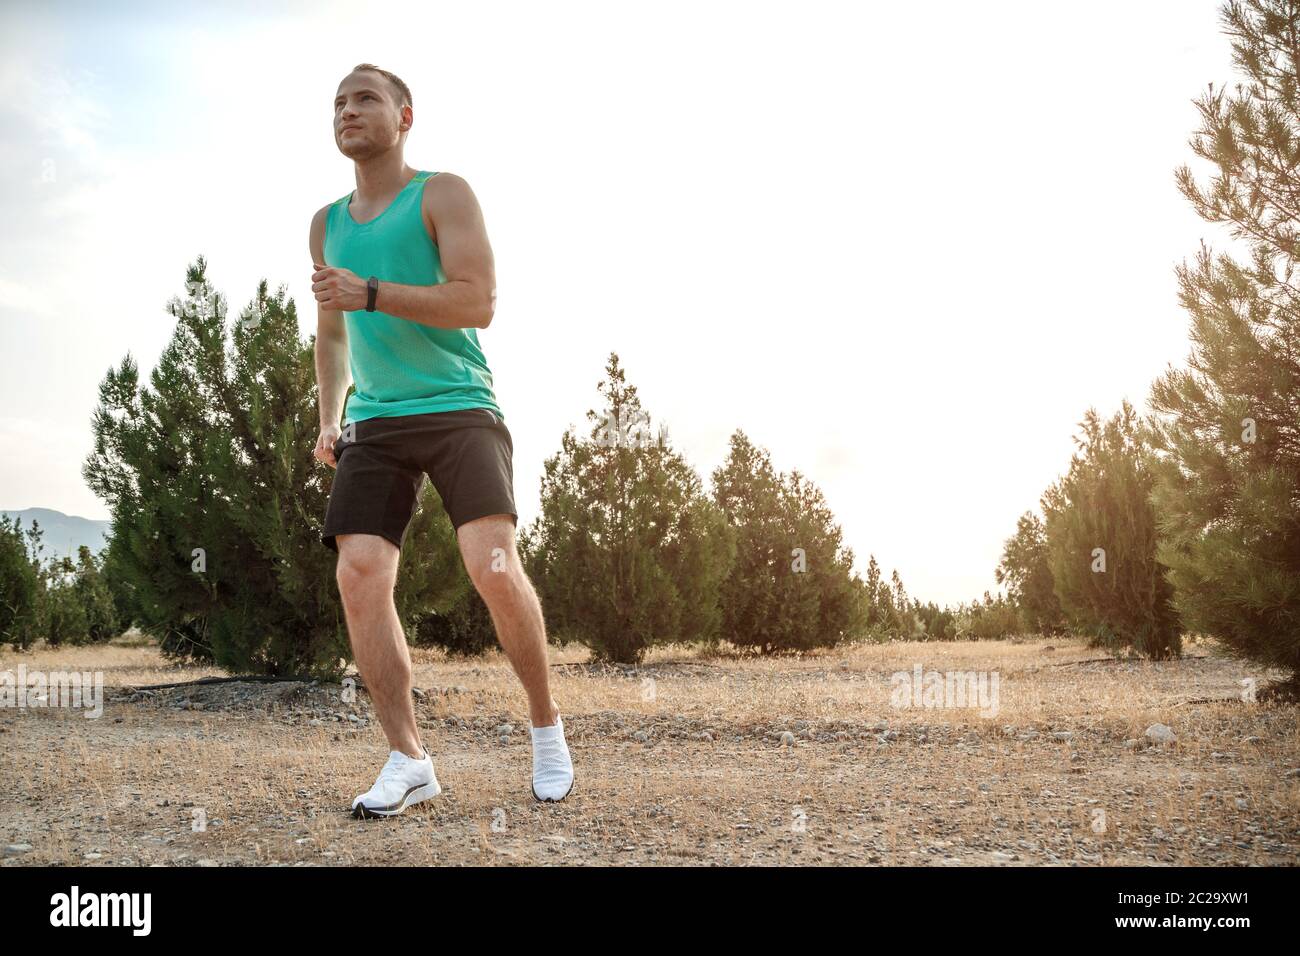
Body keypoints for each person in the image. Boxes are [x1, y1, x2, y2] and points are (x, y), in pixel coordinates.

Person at [309, 62, 574, 818]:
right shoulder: (325, 223)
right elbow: (331, 332)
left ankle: (546, 728)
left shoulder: (443, 193)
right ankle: (408, 759)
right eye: (337, 103)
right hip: (379, 418)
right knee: (358, 574)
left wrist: (372, 293)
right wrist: (331, 414)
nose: (348, 111)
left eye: (365, 98)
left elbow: (478, 301)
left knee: (491, 565)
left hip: (459, 405)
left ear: (406, 114)